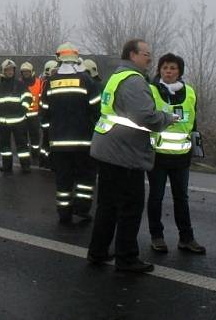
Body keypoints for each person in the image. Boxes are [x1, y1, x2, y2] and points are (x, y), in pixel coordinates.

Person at [87, 39, 176, 273]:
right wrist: (167, 118)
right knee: (131, 206)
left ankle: (97, 251)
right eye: (146, 53)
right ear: (133, 54)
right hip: (124, 153)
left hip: (108, 148)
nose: (150, 58)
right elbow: (146, 117)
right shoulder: (134, 81)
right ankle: (126, 258)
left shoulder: (117, 75)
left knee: (107, 205)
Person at [146, 53, 206, 254]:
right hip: (157, 156)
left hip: (181, 157)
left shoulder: (189, 92)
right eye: (165, 68)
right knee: (156, 197)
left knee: (181, 198)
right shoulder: (151, 90)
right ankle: (157, 236)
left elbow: (193, 124)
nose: (168, 71)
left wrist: (197, 149)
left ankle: (186, 238)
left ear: (179, 71)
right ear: (159, 70)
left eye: (172, 68)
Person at [40, 43, 100, 223]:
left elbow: (43, 113)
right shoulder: (87, 80)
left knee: (63, 181)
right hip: (84, 143)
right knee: (85, 178)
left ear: (58, 58)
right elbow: (97, 111)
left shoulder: (50, 82)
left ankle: (64, 214)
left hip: (59, 144)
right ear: (77, 57)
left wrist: (51, 133)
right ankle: (82, 209)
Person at [0, 59, 31, 173]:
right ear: (3, 71)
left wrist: (23, 110)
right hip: (3, 123)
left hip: (19, 121)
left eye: (12, 70)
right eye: (7, 70)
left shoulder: (20, 84)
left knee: (22, 145)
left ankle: (25, 166)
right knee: (5, 147)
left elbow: (28, 98)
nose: (10, 72)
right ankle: (7, 166)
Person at [37, 60, 58, 169]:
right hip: (48, 117)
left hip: (47, 117)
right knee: (48, 142)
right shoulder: (47, 83)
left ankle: (44, 160)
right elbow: (45, 103)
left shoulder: (45, 81)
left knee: (46, 142)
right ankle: (47, 161)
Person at [20, 62, 43, 163]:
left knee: (35, 137)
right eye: (24, 72)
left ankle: (35, 154)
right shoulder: (19, 83)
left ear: (32, 72)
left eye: (27, 71)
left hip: (35, 116)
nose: (26, 73)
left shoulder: (39, 82)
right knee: (23, 137)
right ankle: (25, 155)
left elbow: (42, 97)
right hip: (22, 116)